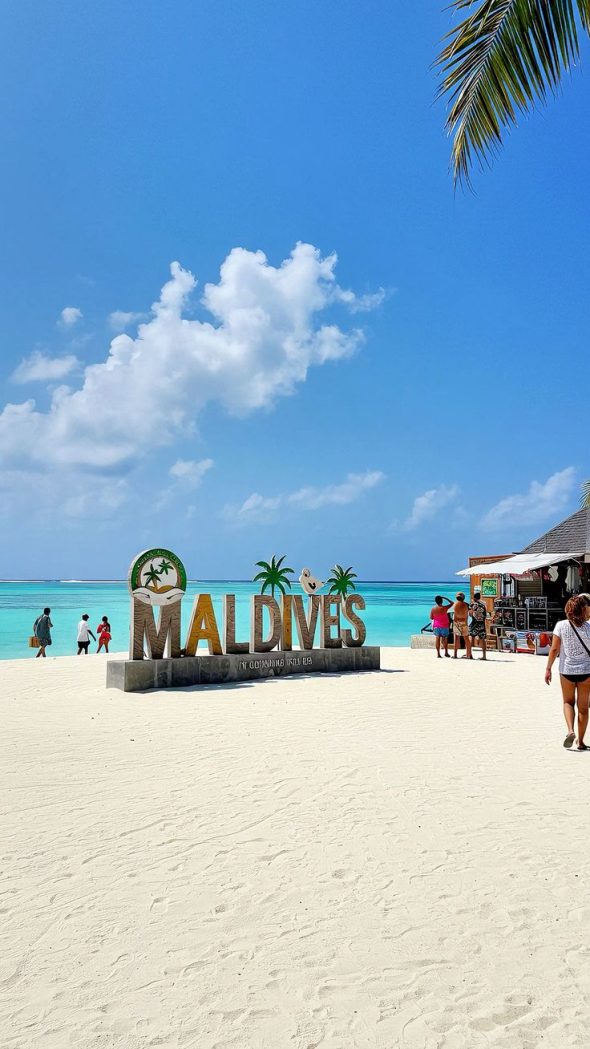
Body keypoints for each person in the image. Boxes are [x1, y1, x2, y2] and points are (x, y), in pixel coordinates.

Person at [545, 595, 590, 750]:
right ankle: (581, 742)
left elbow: (554, 649)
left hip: (567, 670)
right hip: (586, 671)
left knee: (567, 702)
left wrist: (548, 668)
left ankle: (570, 731)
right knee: (583, 708)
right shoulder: (589, 627)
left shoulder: (561, 625)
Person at [469, 589, 488, 661]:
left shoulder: (472, 605)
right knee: (483, 639)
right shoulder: (483, 605)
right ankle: (484, 656)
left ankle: (470, 654)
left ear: (474, 598)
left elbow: (470, 614)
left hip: (474, 623)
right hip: (482, 624)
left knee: (471, 637)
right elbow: (485, 615)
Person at [452, 592, 472, 659]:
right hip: (464, 622)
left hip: (456, 622)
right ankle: (469, 655)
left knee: (456, 638)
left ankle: (455, 655)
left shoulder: (455, 604)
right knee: (466, 638)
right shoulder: (467, 605)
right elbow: (471, 614)